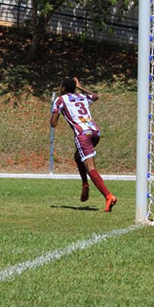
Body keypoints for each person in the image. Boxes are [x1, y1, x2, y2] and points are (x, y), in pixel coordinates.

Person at [50, 77, 117, 212]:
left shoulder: (60, 100)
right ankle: (85, 184)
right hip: (95, 133)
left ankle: (109, 196)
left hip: (83, 136)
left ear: (63, 88)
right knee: (78, 156)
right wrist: (80, 86)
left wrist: (56, 111)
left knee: (90, 167)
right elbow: (95, 96)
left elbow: (53, 123)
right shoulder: (81, 96)